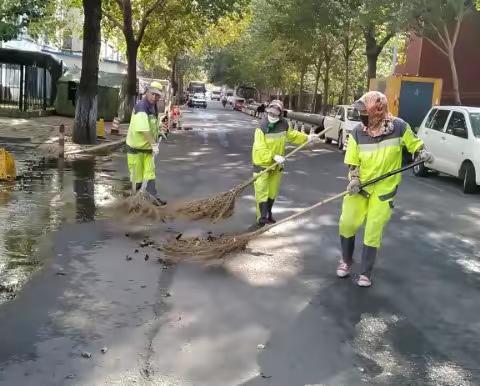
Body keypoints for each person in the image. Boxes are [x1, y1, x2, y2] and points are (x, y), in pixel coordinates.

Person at [336, 91, 433, 287]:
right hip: (360, 187)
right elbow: (353, 162)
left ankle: (365, 272)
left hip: (384, 189)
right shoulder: (357, 132)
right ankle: (346, 260)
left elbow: (415, 144)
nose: (362, 115)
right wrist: (354, 179)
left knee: (373, 229)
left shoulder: (399, 127)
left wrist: (422, 153)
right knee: (347, 223)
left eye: (365, 111)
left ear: (377, 110)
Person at [250, 100, 319, 230]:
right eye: (271, 113)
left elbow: (292, 136)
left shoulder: (283, 124)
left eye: (276, 114)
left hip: (277, 166)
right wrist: (273, 156)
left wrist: (307, 138)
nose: (273, 116)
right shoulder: (261, 126)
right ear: (267, 111)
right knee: (262, 192)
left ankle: (268, 214)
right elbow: (260, 147)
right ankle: (261, 219)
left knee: (272, 192)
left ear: (280, 114)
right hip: (262, 165)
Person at [126, 82, 167, 205]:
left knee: (149, 175)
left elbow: (152, 124)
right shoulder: (141, 107)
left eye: (157, 95)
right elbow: (143, 129)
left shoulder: (153, 106)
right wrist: (154, 144)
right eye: (153, 94)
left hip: (147, 149)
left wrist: (159, 130)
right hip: (136, 149)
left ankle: (153, 199)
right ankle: (135, 202)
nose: (155, 97)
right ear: (147, 92)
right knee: (137, 179)